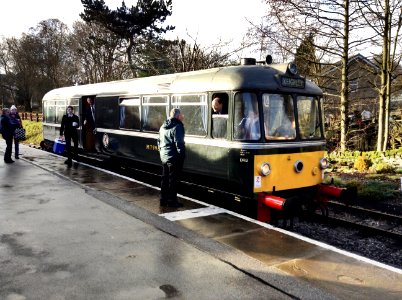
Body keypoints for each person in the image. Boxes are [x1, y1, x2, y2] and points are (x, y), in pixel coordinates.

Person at [158, 108, 185, 207]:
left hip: (164, 157)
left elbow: (158, 141)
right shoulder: (177, 126)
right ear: (178, 116)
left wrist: (162, 153)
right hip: (173, 158)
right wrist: (182, 155)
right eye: (181, 115)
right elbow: (179, 143)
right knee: (173, 180)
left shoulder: (163, 126)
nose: (182, 117)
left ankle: (163, 199)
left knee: (164, 179)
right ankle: (172, 201)